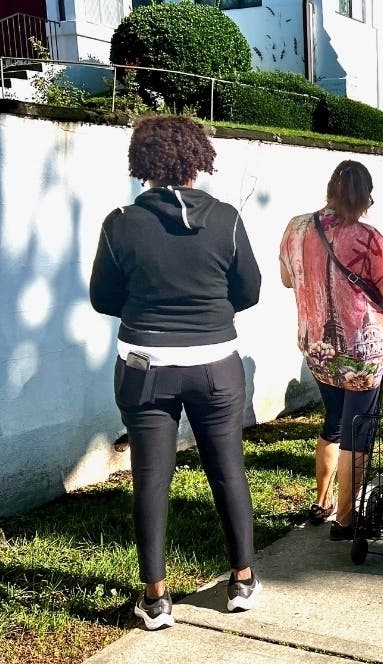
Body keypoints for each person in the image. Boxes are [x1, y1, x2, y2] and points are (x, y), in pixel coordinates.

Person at [89, 116, 263, 630]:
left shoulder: (120, 222)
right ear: (198, 159)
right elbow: (248, 291)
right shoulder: (226, 219)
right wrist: (207, 310)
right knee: (228, 469)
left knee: (150, 478)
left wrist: (150, 309)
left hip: (145, 369)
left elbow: (104, 299)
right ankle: (242, 581)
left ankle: (156, 599)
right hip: (216, 366)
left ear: (141, 163)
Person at [279, 160, 383, 542]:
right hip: (362, 352)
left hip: (317, 347)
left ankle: (323, 501)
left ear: (330, 188)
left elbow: (288, 279)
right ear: (366, 197)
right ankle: (346, 521)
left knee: (333, 422)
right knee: (357, 432)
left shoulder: (297, 228)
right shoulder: (368, 238)